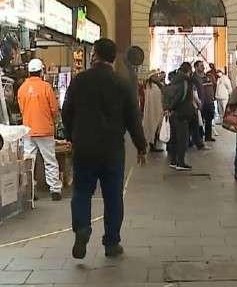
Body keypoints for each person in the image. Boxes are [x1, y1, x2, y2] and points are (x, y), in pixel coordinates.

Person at [62, 38, 147, 259]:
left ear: (94, 55)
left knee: (82, 192)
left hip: (85, 148)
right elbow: (133, 118)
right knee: (113, 196)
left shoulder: (79, 81)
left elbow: (66, 111)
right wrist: (141, 146)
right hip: (112, 150)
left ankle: (82, 228)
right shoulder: (122, 84)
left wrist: (72, 135)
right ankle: (111, 243)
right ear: (113, 58)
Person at [18, 59, 63, 201]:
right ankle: (55, 189)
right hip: (44, 130)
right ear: (41, 71)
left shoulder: (22, 88)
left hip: (28, 131)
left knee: (28, 162)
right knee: (49, 160)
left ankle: (29, 190)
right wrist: (54, 121)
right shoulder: (46, 87)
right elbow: (54, 109)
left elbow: (21, 108)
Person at [163, 62, 197, 170]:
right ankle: (180, 163)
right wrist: (172, 107)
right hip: (182, 112)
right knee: (182, 138)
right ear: (188, 71)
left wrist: (168, 108)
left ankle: (173, 161)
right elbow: (180, 97)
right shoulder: (185, 81)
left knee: (174, 138)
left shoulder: (173, 80)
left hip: (173, 113)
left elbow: (168, 95)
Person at [193, 61, 216, 143]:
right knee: (199, 121)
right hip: (200, 103)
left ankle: (208, 136)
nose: (203, 67)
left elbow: (213, 86)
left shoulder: (208, 77)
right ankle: (198, 138)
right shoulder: (194, 78)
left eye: (203, 65)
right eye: (201, 66)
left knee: (209, 119)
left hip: (209, 102)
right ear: (196, 67)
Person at [143, 70, 165, 153]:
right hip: (153, 110)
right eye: (155, 76)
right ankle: (152, 145)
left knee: (155, 127)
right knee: (153, 126)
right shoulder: (152, 87)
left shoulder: (153, 86)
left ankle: (153, 144)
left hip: (156, 109)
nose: (157, 77)